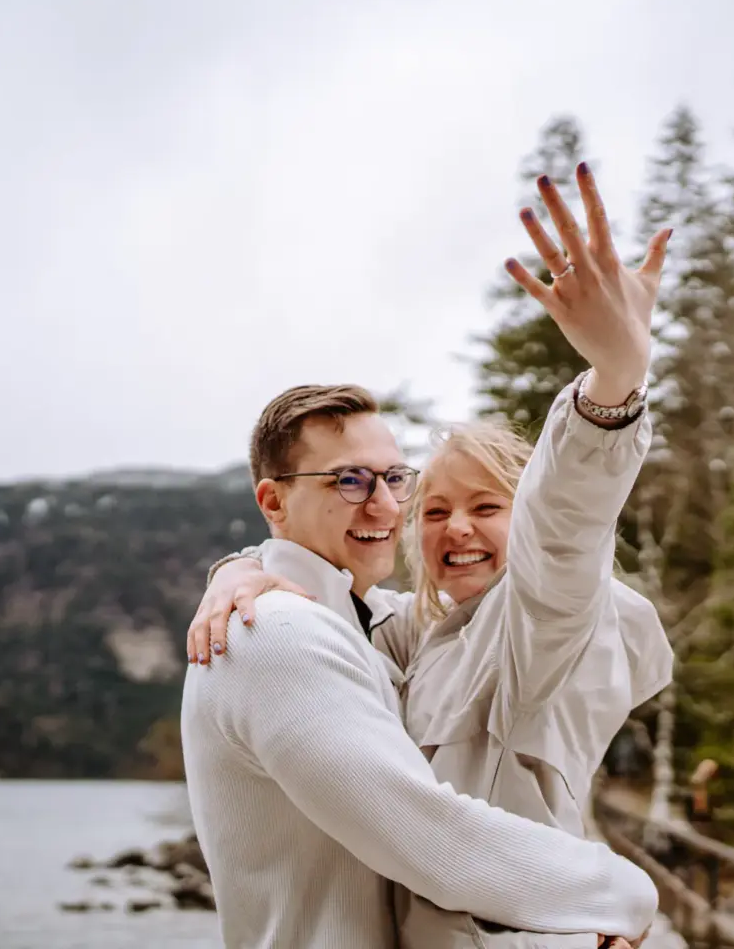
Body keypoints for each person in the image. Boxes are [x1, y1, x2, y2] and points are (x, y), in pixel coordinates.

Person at [189, 162, 676, 946]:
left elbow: (566, 530)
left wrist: (613, 385)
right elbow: (347, 609)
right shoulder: (380, 633)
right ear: (274, 499)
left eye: (487, 507)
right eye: (434, 507)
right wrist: (246, 565)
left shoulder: (539, 617)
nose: (438, 524)